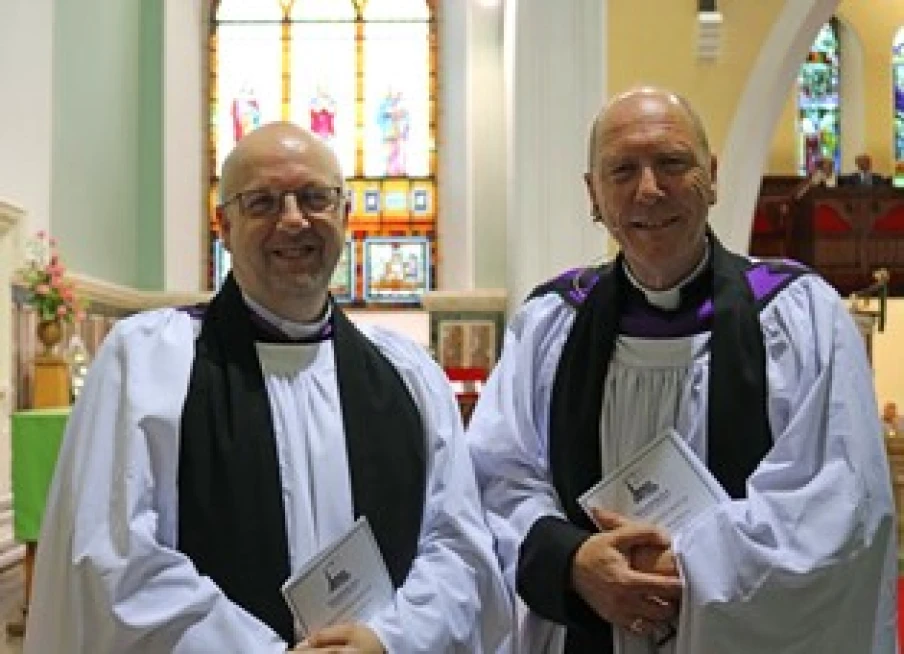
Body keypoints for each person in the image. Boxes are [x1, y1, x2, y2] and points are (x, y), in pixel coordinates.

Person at [24, 122, 512, 653]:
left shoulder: (409, 375)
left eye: (315, 198)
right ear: (224, 226)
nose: (294, 219)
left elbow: (457, 545)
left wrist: (387, 639)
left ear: (345, 215)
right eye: (262, 203)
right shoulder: (147, 365)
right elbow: (115, 556)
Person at [466, 87, 897, 653]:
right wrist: (572, 562)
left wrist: (689, 564)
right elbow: (497, 477)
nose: (649, 190)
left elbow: (839, 499)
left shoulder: (801, 316)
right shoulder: (551, 325)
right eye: (622, 171)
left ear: (712, 177)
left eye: (672, 163)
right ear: (593, 194)